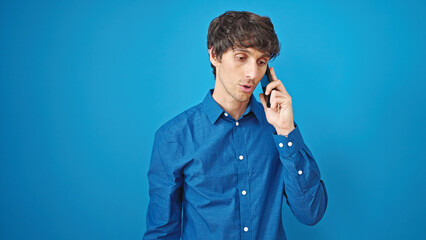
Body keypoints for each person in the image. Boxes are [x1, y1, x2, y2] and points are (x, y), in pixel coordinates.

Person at [143, 11, 328, 240]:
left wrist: (286, 132)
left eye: (261, 62)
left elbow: (311, 213)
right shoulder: (173, 137)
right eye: (241, 57)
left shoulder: (279, 130)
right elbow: (162, 233)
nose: (252, 73)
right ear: (214, 55)